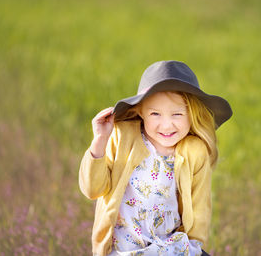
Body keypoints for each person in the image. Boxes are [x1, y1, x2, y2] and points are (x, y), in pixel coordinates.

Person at [79, 60, 232, 256]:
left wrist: (194, 246)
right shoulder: (123, 136)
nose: (166, 125)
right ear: (140, 111)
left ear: (192, 114)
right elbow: (92, 189)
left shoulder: (195, 151)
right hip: (124, 250)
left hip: (169, 248)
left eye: (177, 114)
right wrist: (100, 140)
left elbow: (200, 206)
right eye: (155, 114)